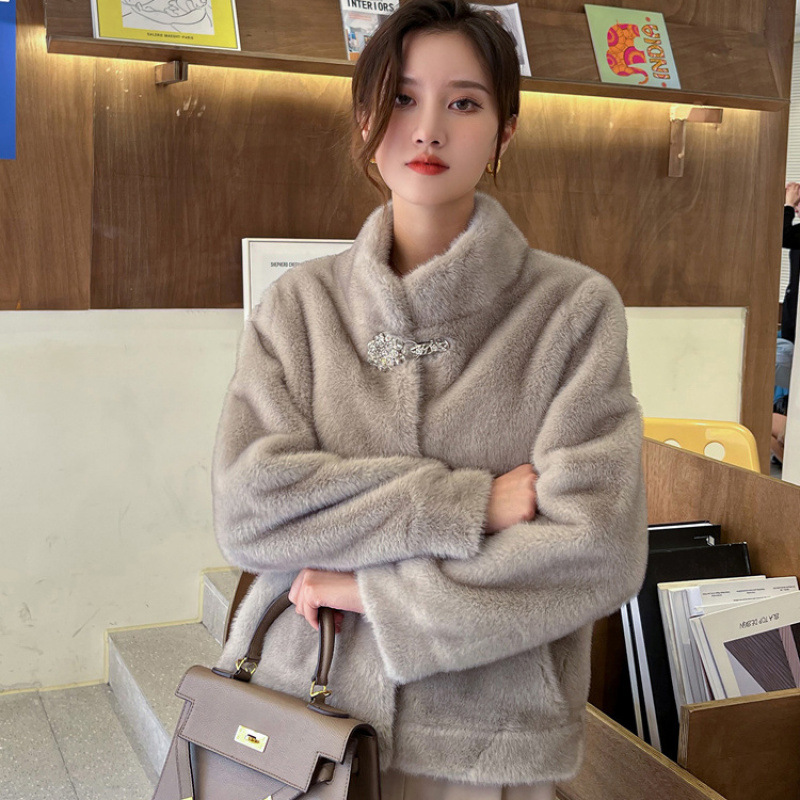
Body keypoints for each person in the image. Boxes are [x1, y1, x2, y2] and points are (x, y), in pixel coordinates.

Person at [211, 1, 648, 797]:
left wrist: (373, 592)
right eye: (403, 98)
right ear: (366, 116)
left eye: (464, 103)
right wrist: (466, 505)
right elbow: (250, 511)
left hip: (483, 740)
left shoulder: (572, 311)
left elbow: (596, 546)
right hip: (299, 707)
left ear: (505, 131)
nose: (428, 130)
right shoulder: (300, 307)